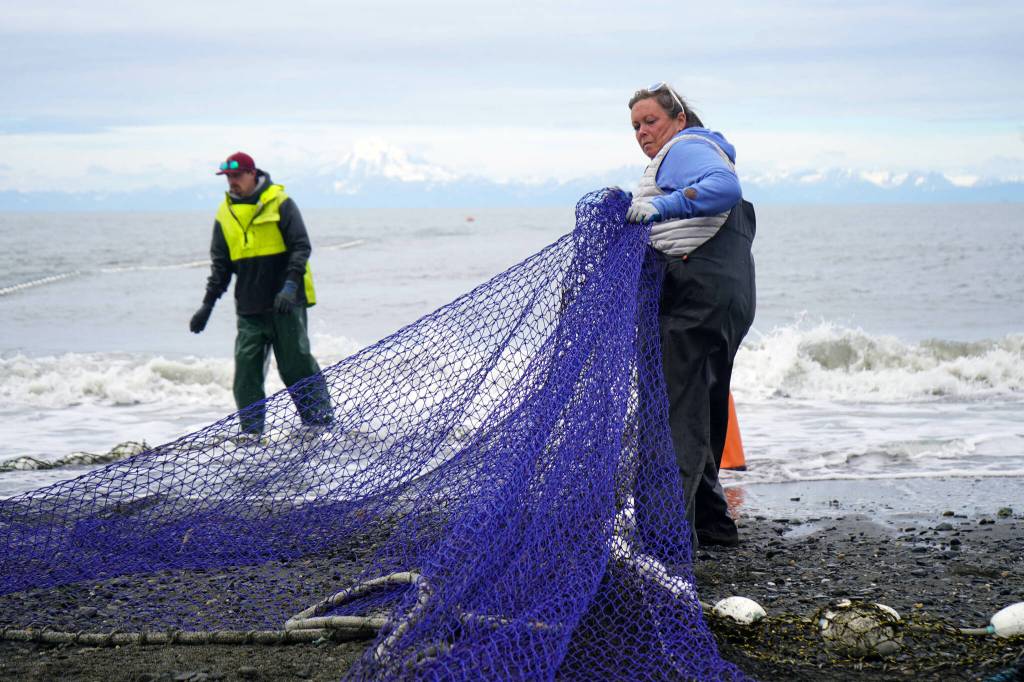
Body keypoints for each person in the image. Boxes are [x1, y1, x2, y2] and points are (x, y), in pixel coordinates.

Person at [625, 83, 756, 547]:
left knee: (674, 412)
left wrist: (661, 205)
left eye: (651, 121)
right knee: (701, 404)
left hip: (698, 295)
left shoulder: (685, 149)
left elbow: (725, 189)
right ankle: (712, 525)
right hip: (726, 295)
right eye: (636, 126)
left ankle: (664, 540)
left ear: (679, 118)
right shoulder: (703, 150)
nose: (642, 132)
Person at [189, 151, 332, 437]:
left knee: (296, 367)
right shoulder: (224, 214)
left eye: (237, 175)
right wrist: (207, 305)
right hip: (250, 309)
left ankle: (320, 427)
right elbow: (221, 266)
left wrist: (290, 286)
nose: (232, 182)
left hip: (286, 305)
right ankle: (252, 436)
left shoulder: (280, 203)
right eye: (228, 177)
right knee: (246, 374)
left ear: (253, 174)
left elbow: (301, 247)